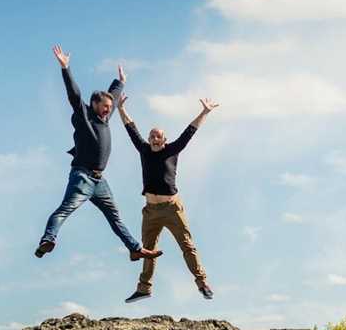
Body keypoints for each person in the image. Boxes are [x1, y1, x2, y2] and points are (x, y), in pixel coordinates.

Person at [35, 45, 163, 262]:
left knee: (115, 217)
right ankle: (47, 239)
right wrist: (66, 68)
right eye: (104, 107)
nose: (108, 110)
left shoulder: (105, 115)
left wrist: (120, 82)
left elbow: (112, 95)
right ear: (94, 105)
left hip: (99, 180)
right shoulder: (85, 116)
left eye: (109, 107)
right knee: (65, 209)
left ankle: (134, 248)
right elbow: (74, 96)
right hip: (82, 176)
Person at [117, 95, 219, 302]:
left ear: (164, 140)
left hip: (172, 209)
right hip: (151, 211)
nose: (154, 139)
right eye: (152, 136)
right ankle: (144, 288)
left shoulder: (172, 150)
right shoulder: (144, 150)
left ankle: (202, 283)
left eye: (158, 136)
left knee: (187, 245)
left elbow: (189, 132)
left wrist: (204, 112)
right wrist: (120, 108)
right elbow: (131, 129)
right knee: (147, 250)